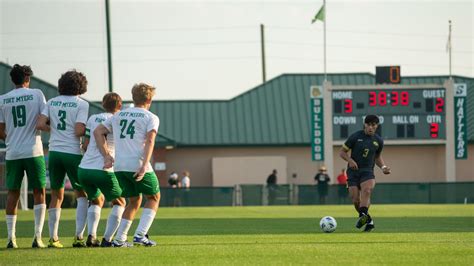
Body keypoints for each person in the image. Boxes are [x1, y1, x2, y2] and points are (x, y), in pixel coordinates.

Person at [94, 83, 160, 247]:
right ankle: (140, 235)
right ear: (149, 99)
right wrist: (145, 165)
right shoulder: (150, 117)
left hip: (120, 166)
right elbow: (151, 140)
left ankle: (119, 239)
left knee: (134, 201)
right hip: (137, 163)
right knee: (154, 197)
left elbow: (97, 132)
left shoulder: (117, 116)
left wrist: (107, 156)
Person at [37, 70, 90, 247]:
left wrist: (55, 130)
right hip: (72, 152)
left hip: (54, 152)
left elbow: (40, 124)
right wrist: (89, 129)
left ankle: (53, 238)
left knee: (56, 194)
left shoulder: (52, 102)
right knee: (82, 194)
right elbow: (78, 131)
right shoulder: (81, 104)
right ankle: (78, 236)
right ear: (81, 86)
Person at [0, 64, 47, 248]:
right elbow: (43, 120)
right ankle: (38, 237)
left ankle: (11, 238)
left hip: (13, 152)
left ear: (12, 80)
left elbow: (0, 130)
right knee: (39, 191)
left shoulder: (2, 99)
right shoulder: (37, 94)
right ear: (28, 79)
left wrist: (12, 138)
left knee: (13, 193)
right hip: (34, 151)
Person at [77, 92, 126, 247]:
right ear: (120, 105)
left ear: (103, 104)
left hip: (83, 169)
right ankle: (107, 239)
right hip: (104, 169)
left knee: (96, 200)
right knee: (120, 202)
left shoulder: (92, 118)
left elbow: (85, 145)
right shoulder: (118, 119)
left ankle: (91, 236)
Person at [339, 114, 391, 232]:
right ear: (365, 125)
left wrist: (383, 167)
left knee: (367, 191)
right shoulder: (355, 137)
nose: (370, 127)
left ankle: (363, 215)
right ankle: (368, 220)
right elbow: (342, 152)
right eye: (368, 125)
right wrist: (350, 160)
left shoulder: (378, 141)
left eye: (373, 125)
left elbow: (377, 157)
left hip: (367, 171)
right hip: (353, 172)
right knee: (355, 199)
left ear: (376, 126)